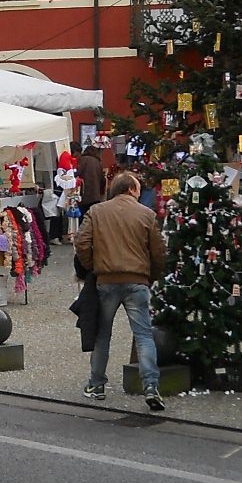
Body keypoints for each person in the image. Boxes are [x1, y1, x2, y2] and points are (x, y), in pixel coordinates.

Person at [74, 171, 167, 411]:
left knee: (102, 334)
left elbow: (81, 243)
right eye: (138, 189)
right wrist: (152, 276)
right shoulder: (146, 214)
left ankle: (96, 384)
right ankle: (151, 386)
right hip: (137, 281)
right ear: (131, 190)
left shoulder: (96, 212)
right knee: (143, 335)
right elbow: (158, 251)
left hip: (106, 280)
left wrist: (93, 267)